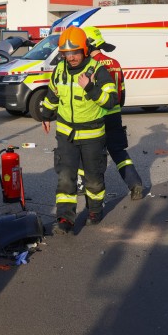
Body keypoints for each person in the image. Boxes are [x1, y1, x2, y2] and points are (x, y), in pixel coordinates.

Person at [40, 26, 118, 234]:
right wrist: (45, 115)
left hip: (92, 135)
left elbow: (111, 100)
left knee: (93, 177)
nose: (71, 58)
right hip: (66, 134)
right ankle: (65, 218)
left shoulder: (98, 70)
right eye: (67, 53)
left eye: (75, 52)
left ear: (84, 50)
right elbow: (53, 95)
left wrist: (91, 88)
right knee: (66, 177)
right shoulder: (59, 70)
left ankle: (94, 211)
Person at [82, 26, 143, 200]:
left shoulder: (90, 66)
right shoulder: (115, 63)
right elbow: (121, 93)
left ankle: (89, 191)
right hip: (115, 114)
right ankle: (135, 184)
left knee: (90, 153)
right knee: (118, 152)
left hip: (96, 115)